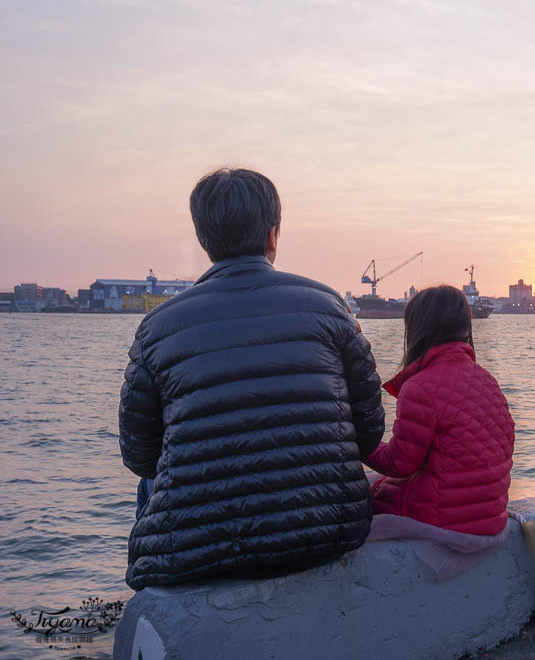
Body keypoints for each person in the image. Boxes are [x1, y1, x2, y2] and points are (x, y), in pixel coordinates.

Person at [118, 168, 384, 590]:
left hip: (197, 552)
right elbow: (369, 433)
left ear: (204, 240)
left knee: (150, 484)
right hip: (328, 532)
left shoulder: (157, 329)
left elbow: (138, 455)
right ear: (272, 235)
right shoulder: (330, 307)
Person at [364, 285, 515, 535]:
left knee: (355, 495)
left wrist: (361, 443)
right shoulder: (486, 379)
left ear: (416, 329)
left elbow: (398, 464)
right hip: (489, 517)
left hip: (446, 524)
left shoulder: (420, 387)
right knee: (375, 485)